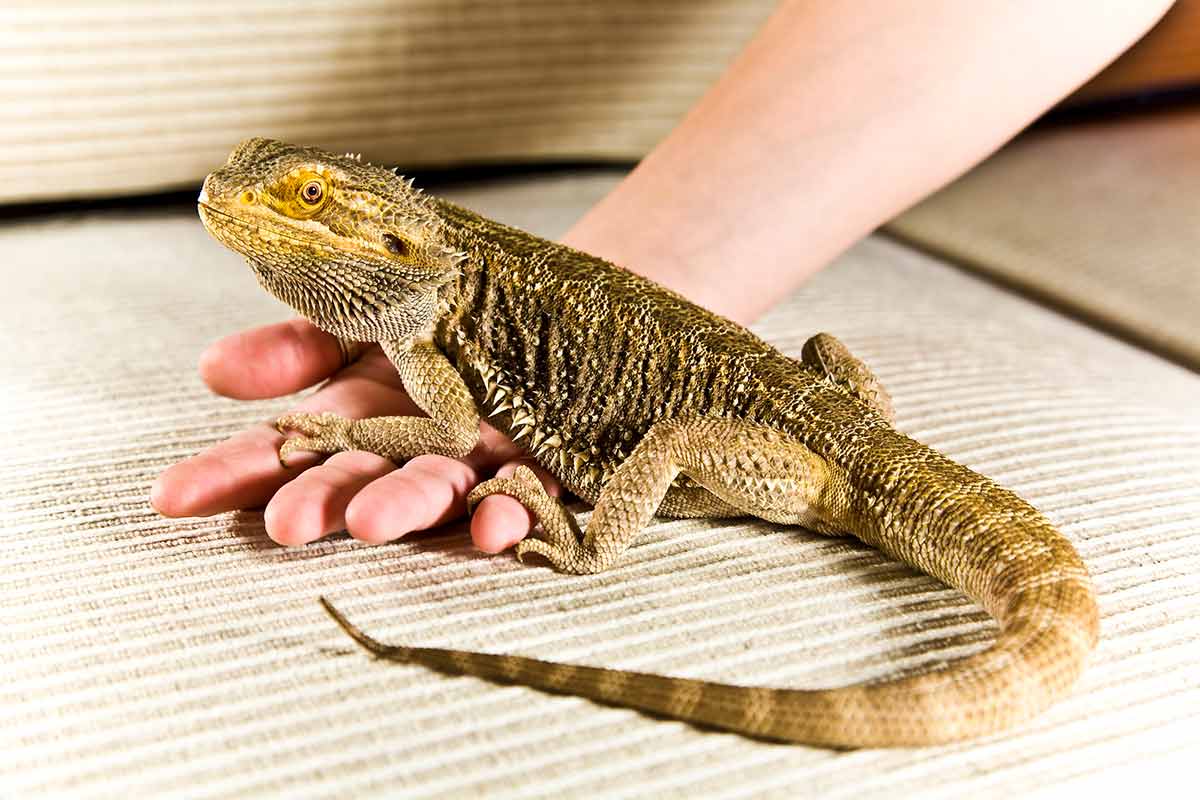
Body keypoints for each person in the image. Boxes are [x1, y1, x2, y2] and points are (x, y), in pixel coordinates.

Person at [153, 1, 1177, 553]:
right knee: (806, 365)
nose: (239, 197)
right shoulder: (425, 308)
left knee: (689, 430)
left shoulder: (429, 317)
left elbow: (450, 431)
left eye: (308, 201)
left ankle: (594, 552)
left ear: (394, 250)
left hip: (829, 464)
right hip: (832, 418)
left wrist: (342, 427)